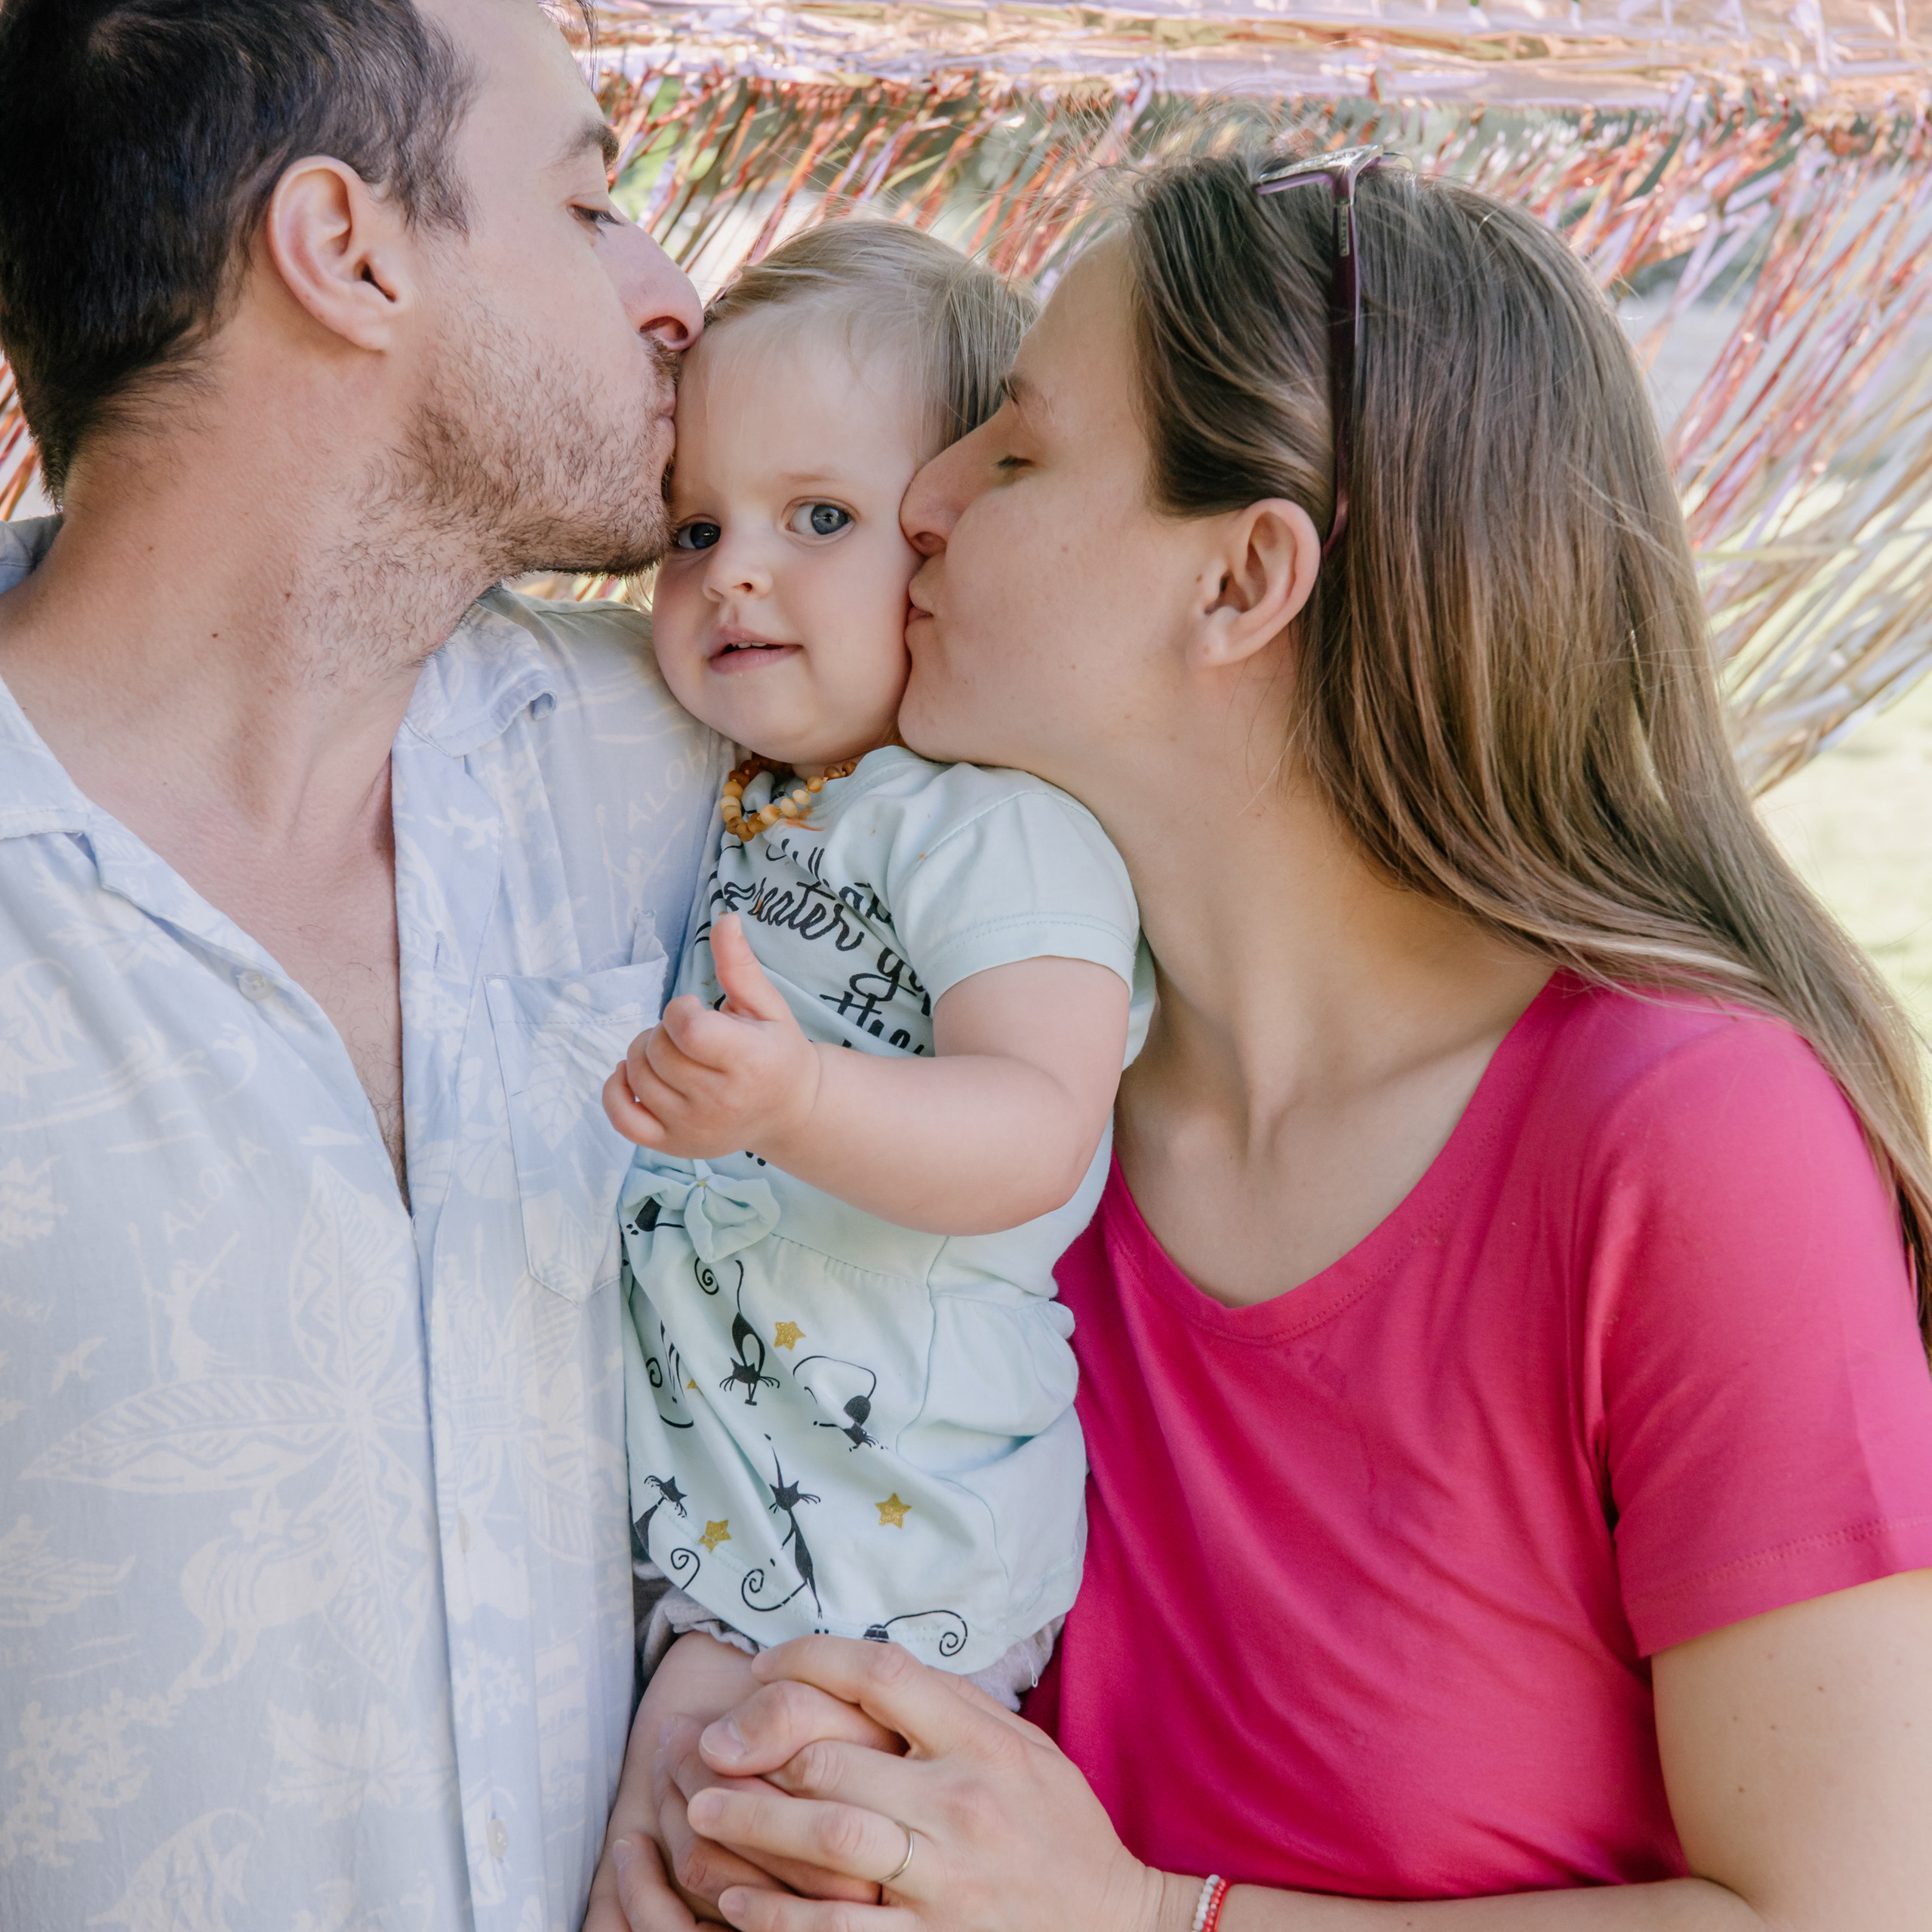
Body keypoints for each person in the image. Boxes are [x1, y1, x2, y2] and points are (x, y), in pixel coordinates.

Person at [602, 144, 1932, 1931]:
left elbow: (1839, 1912)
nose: (919, 497)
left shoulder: (1687, 1137)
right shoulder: (978, 1083)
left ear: (1239, 581)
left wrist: (1154, 1919)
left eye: (1016, 445)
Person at [0, 3, 723, 1928]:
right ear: (349, 248)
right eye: (589, 208)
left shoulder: (709, 783)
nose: (673, 303)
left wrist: (722, 1647)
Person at [598, 221, 1148, 1780]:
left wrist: (796, 1101)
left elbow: (1036, 1123)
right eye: (692, 526)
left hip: (903, 1545)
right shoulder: (725, 797)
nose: (736, 570)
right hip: (732, 1538)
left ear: (947, 534)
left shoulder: (989, 824)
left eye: (817, 513)